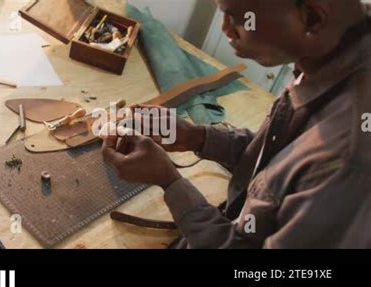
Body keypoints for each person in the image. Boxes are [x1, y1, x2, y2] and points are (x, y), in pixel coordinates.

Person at [101, 0, 371, 248]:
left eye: (238, 17)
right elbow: (280, 161)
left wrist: (169, 180)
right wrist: (197, 137)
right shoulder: (336, 49)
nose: (225, 28)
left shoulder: (347, 160)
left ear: (311, 18)